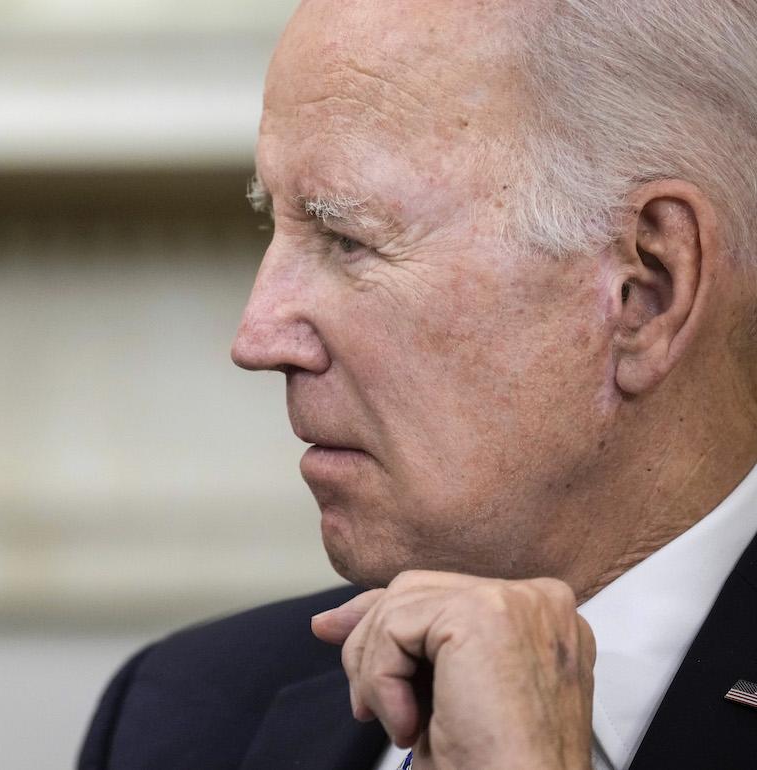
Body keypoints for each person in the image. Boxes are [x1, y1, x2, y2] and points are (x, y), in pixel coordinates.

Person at [79, 1, 757, 768]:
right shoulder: (181, 718)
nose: (257, 338)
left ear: (646, 289)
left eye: (347, 238)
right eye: (279, 226)